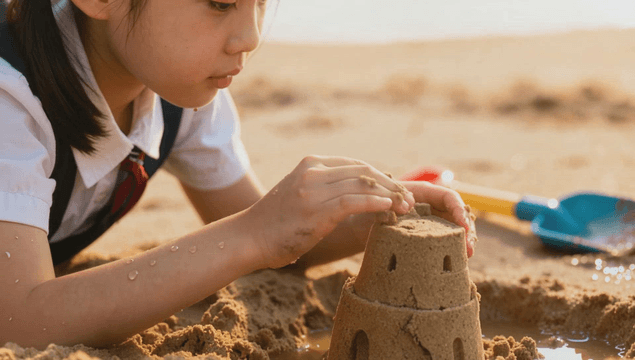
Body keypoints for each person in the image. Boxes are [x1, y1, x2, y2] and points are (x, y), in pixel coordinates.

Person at [0, 0, 477, 349]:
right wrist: (253, 233)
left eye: (262, 2)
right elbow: (19, 322)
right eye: (220, 3)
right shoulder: (10, 96)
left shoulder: (177, 88)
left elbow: (272, 233)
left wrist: (376, 211)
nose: (249, 36)